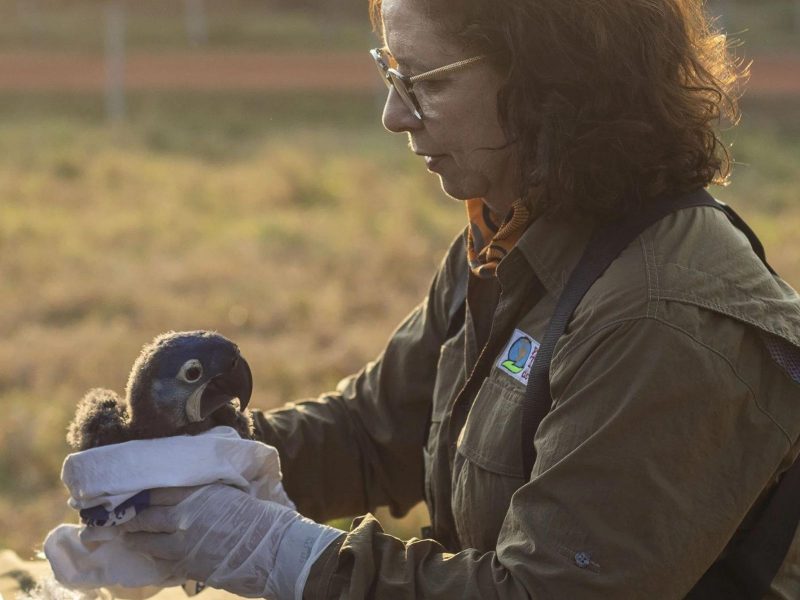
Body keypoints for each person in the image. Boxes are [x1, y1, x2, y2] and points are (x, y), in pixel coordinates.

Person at [116, 0, 800, 598]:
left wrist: (282, 555)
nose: (393, 115)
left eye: (429, 82)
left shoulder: (661, 322)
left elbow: (540, 593)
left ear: (555, 78)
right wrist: (191, 454)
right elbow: (374, 432)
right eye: (391, 72)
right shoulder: (520, 229)